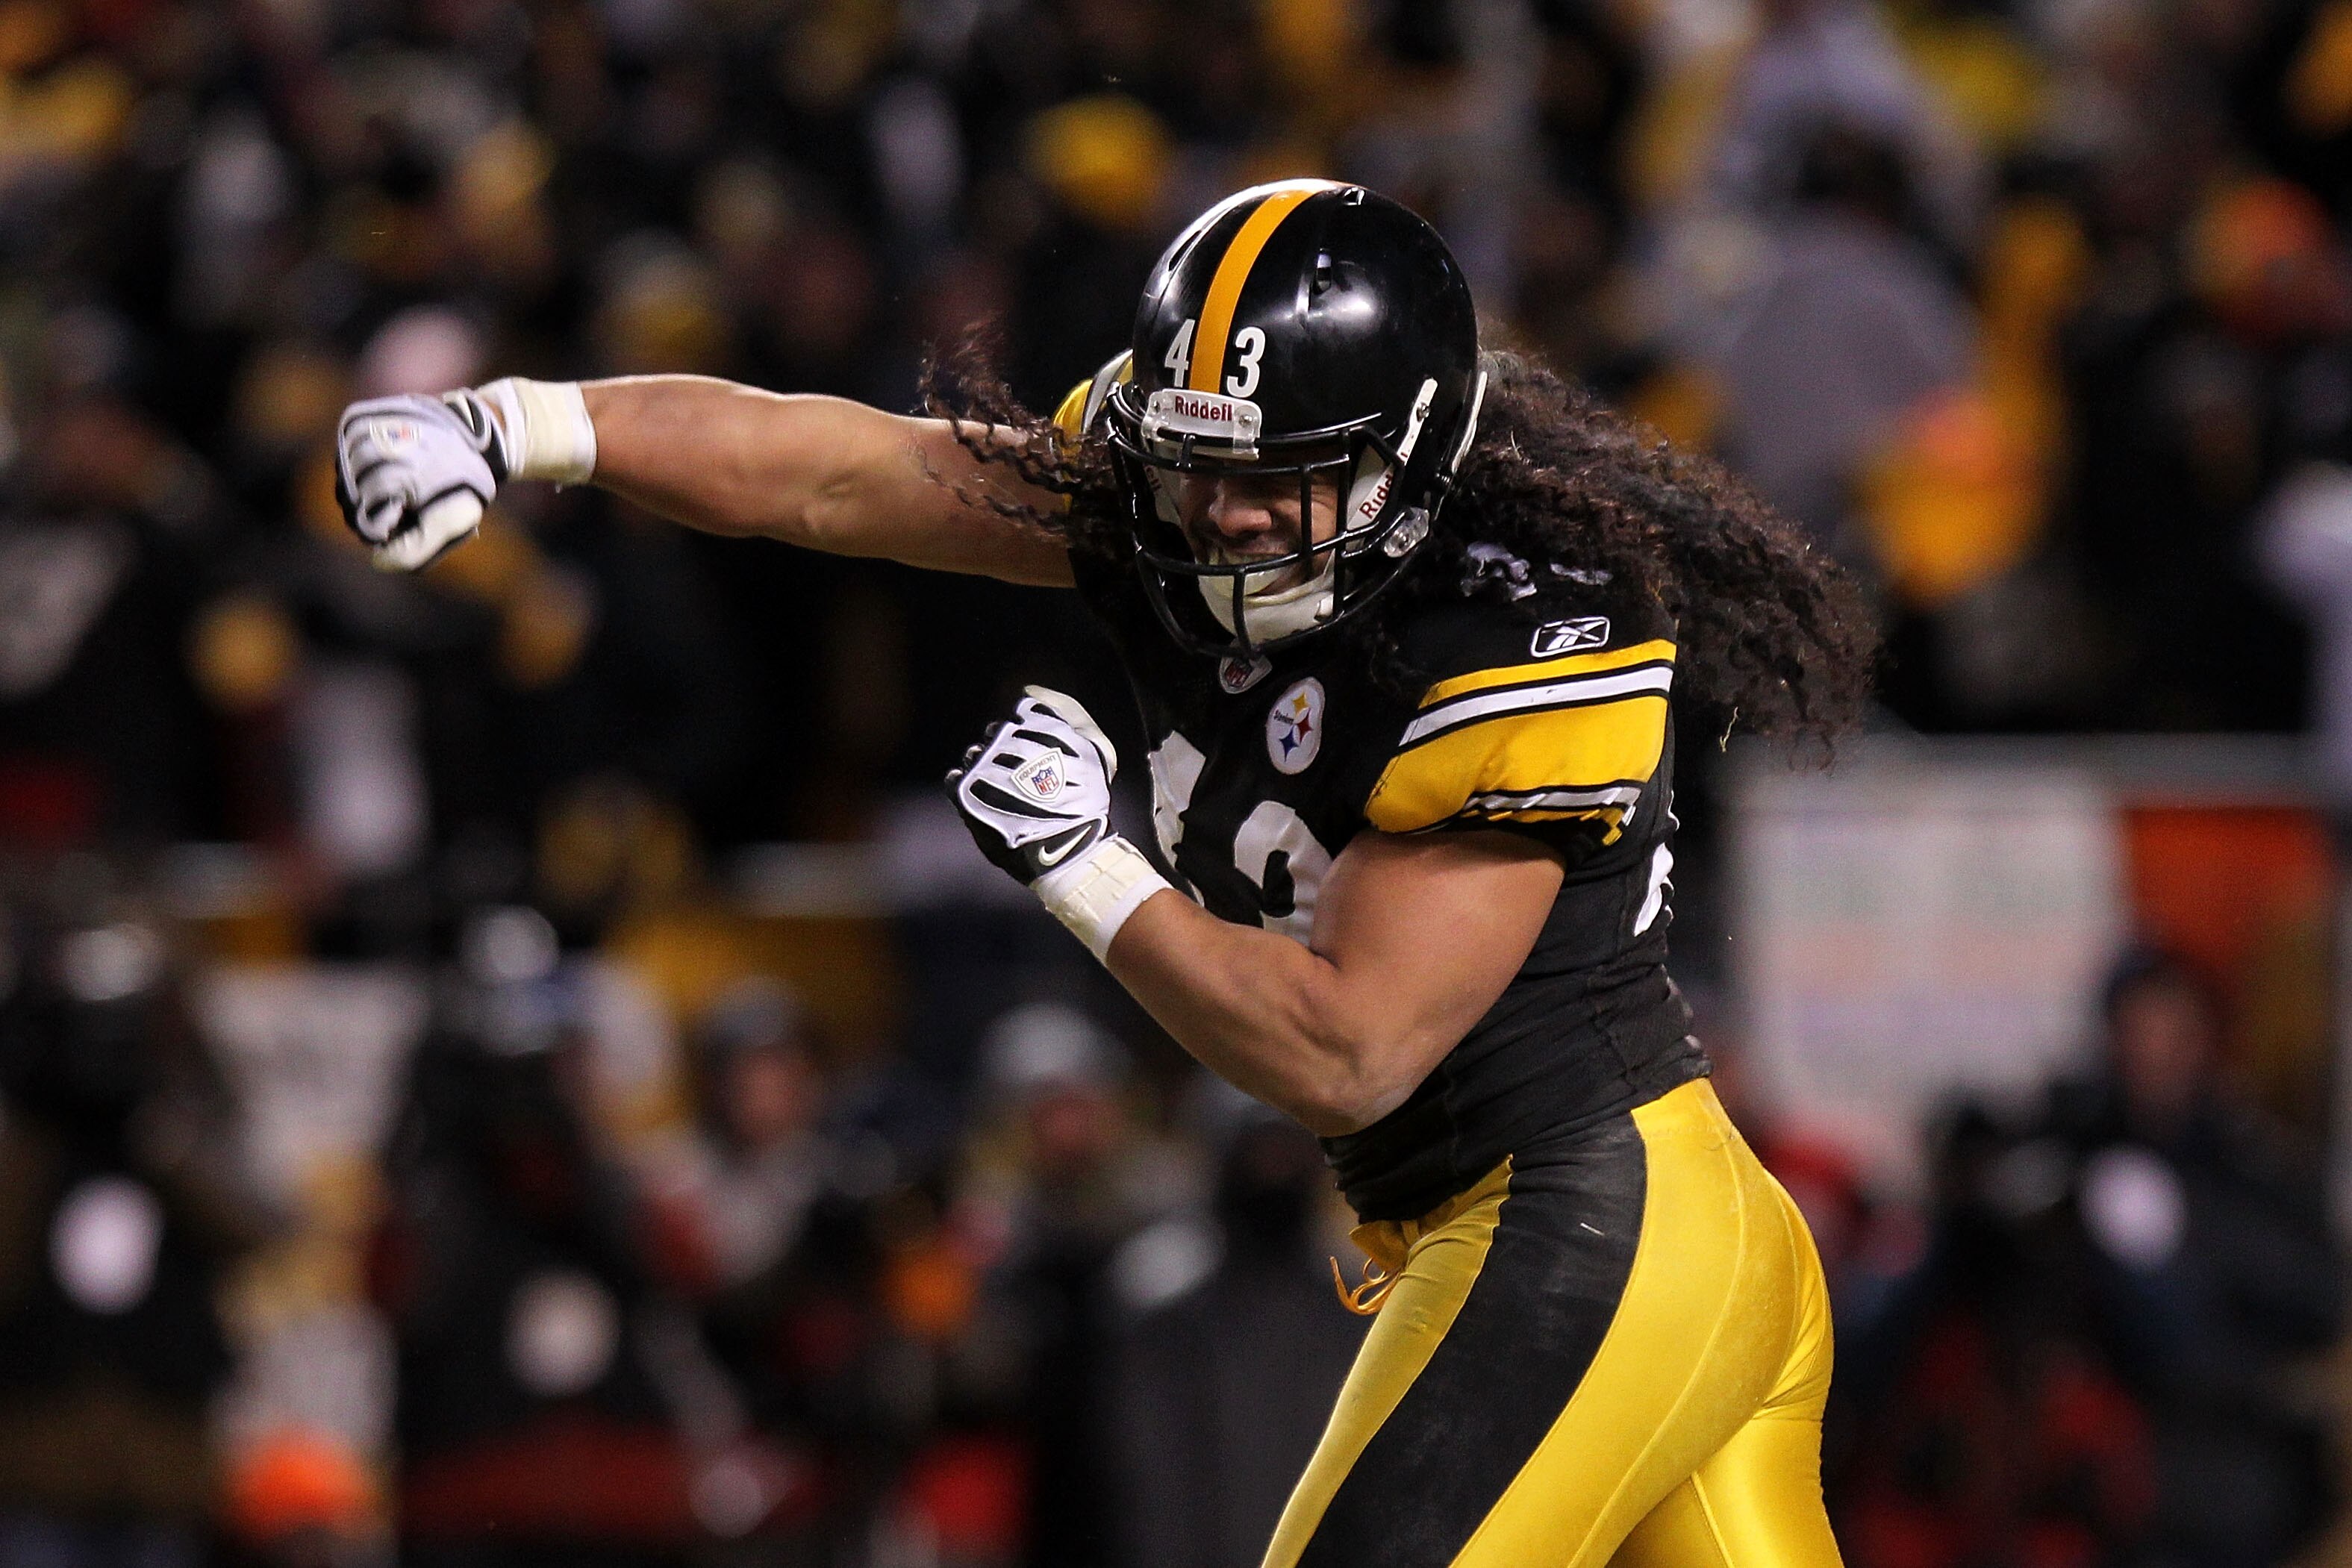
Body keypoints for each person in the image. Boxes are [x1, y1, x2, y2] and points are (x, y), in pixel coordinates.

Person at [334, 178, 1874, 1567]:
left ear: (1412, 457)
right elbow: (844, 475)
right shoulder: (1171, 507)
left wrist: (1091, 869)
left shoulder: (1520, 631)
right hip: (1580, 1229)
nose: (1228, 519)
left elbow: (1351, 1047)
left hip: (1593, 1219)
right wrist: (516, 424)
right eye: (1203, 471)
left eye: (1283, 479)